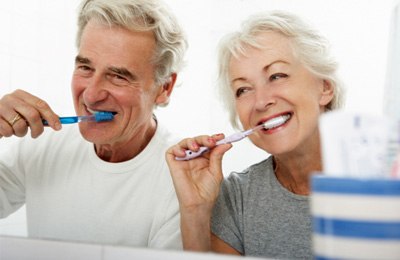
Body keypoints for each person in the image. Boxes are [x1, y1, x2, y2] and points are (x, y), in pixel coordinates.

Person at [0, 0, 187, 250]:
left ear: (164, 88)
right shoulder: (43, 143)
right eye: (86, 67)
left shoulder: (182, 180)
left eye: (119, 76)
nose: (91, 95)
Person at [166, 10, 344, 259]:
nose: (260, 102)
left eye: (277, 75)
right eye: (243, 90)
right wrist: (195, 211)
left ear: (324, 87)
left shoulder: (384, 177)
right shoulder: (235, 197)